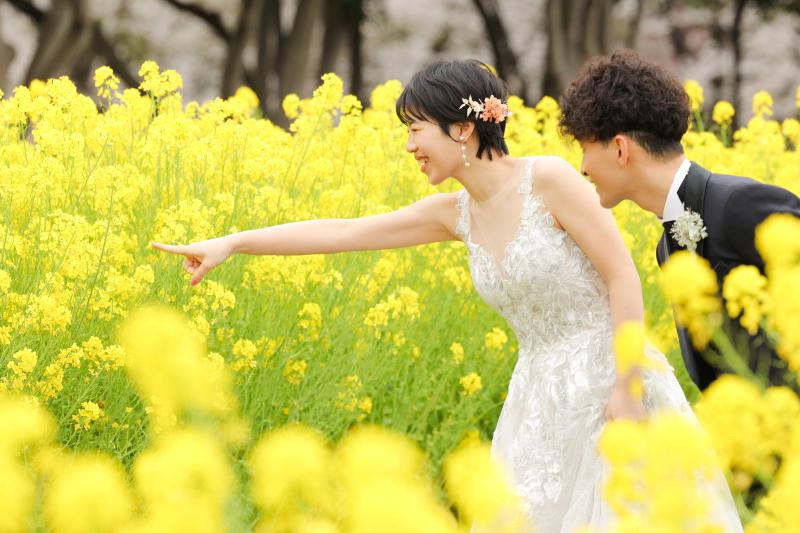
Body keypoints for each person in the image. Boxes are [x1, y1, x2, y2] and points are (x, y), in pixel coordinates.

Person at [150, 59, 742, 532]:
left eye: (415, 129)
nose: (409, 145)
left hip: (613, 384)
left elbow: (623, 277)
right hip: (536, 403)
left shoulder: (551, 180)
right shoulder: (455, 212)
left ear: (463, 128)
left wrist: (627, 385)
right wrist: (233, 242)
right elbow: (346, 232)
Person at [559, 49, 800, 395]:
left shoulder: (739, 204)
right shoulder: (666, 246)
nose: (582, 168)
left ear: (620, 149)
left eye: (584, 149)